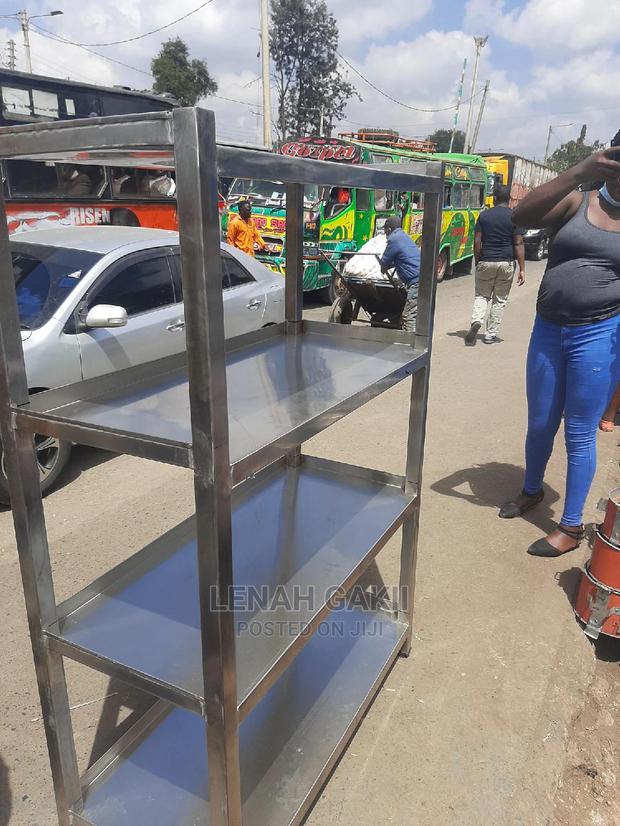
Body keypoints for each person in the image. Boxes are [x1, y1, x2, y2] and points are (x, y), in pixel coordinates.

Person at [499, 136, 620, 557]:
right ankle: (531, 490)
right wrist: (580, 170)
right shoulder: (579, 200)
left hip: (599, 334)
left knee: (580, 433)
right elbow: (521, 215)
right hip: (549, 330)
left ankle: (570, 527)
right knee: (539, 423)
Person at [464, 184, 526, 346]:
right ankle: (490, 335)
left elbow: (477, 241)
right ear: (510, 199)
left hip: (487, 260)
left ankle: (476, 320)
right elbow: (518, 243)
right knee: (499, 300)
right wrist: (522, 268)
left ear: (495, 198)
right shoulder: (515, 216)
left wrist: (478, 261)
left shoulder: (484, 216)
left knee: (482, 295)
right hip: (506, 263)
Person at [379, 215, 420, 332]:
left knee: (408, 316)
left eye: (385, 229)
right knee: (411, 312)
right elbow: (402, 258)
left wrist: (384, 267)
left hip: (416, 281)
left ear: (389, 229)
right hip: (421, 277)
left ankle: (410, 344)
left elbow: (384, 263)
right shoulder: (404, 236)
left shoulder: (393, 239)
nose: (384, 232)